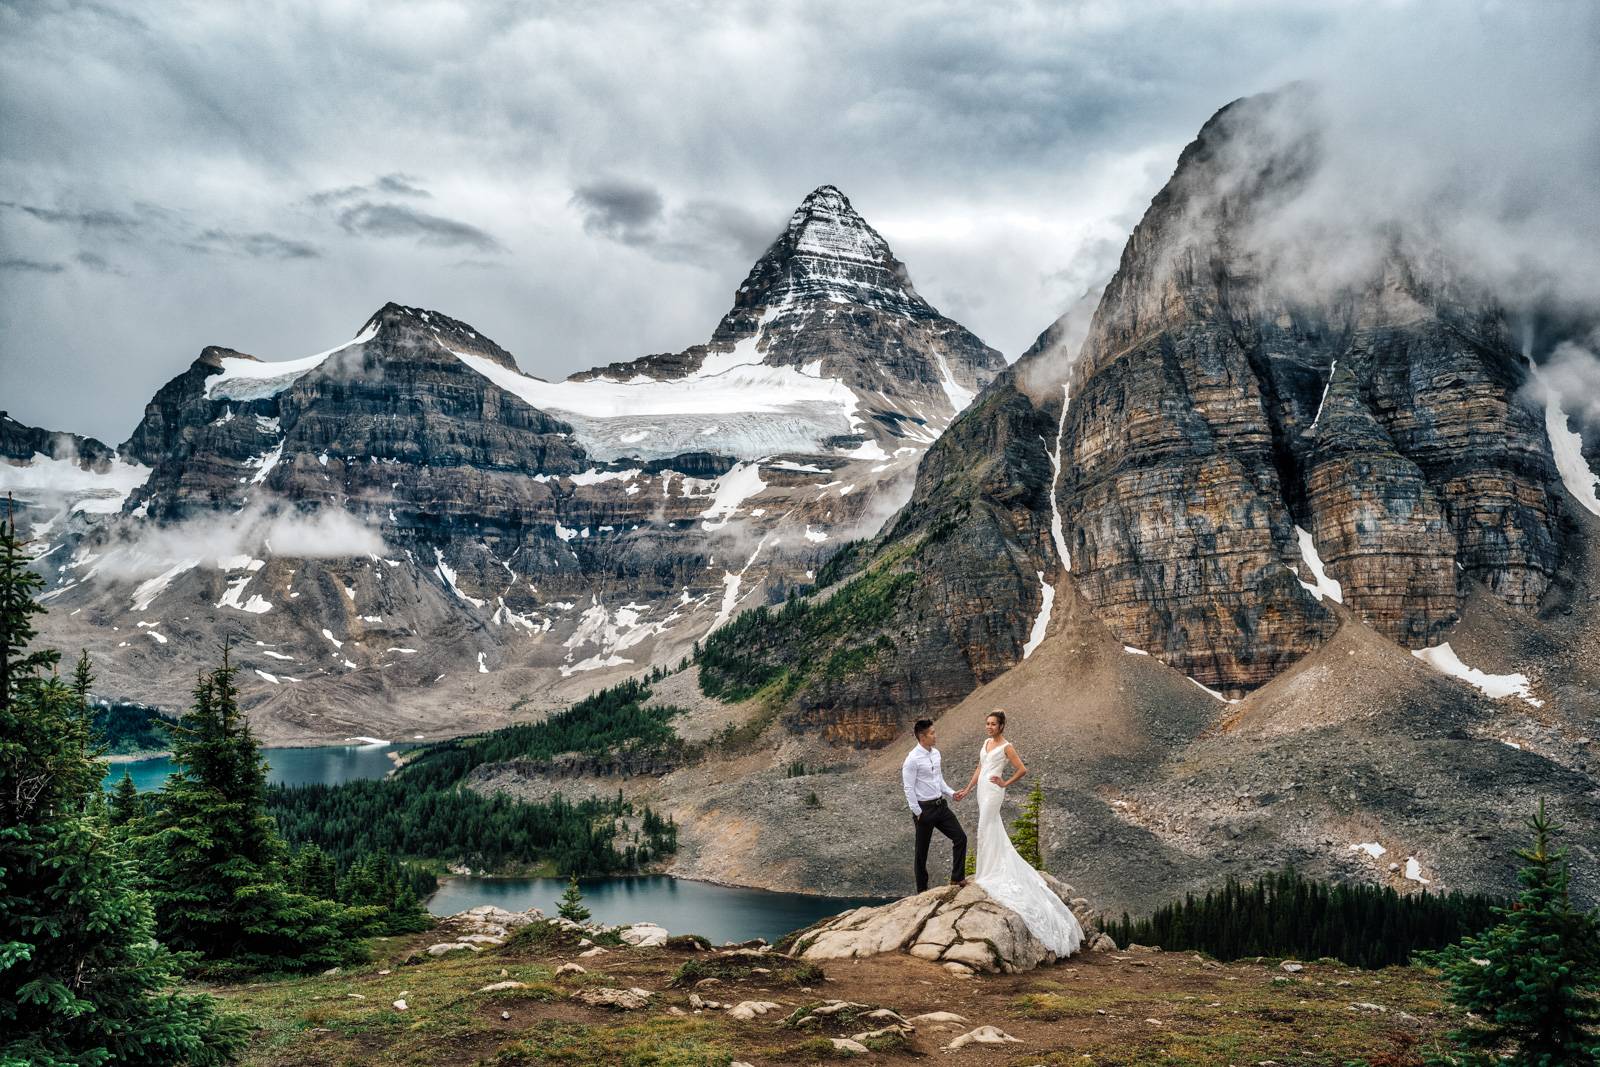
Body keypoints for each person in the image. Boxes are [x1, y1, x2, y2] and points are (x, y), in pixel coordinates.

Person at [953, 709, 1083, 957]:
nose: (989, 727)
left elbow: (1022, 769)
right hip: (981, 790)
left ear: (1001, 726)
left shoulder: (1006, 747)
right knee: (989, 829)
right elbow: (980, 766)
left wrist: (1004, 783)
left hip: (994, 791)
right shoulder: (986, 743)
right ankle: (988, 869)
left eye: (993, 724)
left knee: (984, 827)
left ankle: (988, 873)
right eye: (987, 723)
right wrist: (968, 789)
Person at [901, 718, 968, 892]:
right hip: (924, 810)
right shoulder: (912, 759)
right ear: (922, 737)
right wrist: (918, 812)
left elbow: (938, 780)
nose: (935, 735)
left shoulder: (936, 753)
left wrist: (952, 793)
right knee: (921, 854)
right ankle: (922, 892)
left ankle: (957, 878)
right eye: (932, 733)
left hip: (940, 806)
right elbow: (908, 788)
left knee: (960, 837)